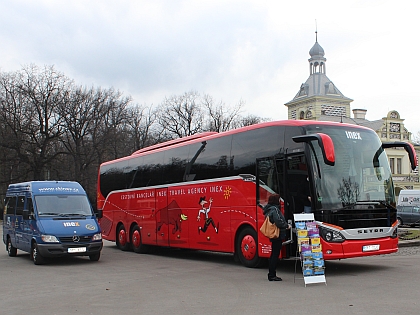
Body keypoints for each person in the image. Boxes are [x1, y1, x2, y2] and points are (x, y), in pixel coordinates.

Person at [263, 194, 290, 281]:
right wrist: (286, 226)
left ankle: (271, 273)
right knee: (275, 254)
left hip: (273, 234)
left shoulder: (268, 209)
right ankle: (272, 275)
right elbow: (278, 221)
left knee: (273, 254)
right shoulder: (275, 209)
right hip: (277, 234)